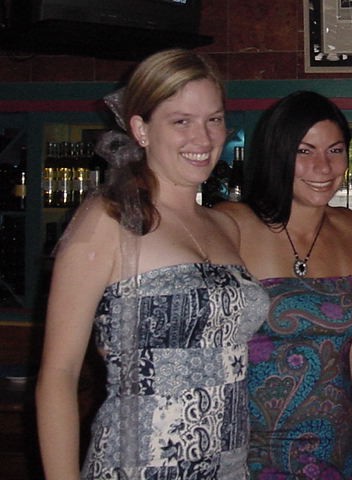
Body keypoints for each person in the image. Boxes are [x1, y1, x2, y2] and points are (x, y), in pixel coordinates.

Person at [35, 48, 269, 480]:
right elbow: (59, 375)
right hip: (138, 466)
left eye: (214, 119)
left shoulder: (225, 226)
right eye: (181, 121)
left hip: (230, 466)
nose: (203, 138)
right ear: (141, 129)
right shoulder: (109, 219)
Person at [215, 90, 352, 479]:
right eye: (304, 151)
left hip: (335, 450)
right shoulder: (231, 224)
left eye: (335, 150)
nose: (323, 166)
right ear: (277, 153)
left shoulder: (347, 227)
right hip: (249, 454)